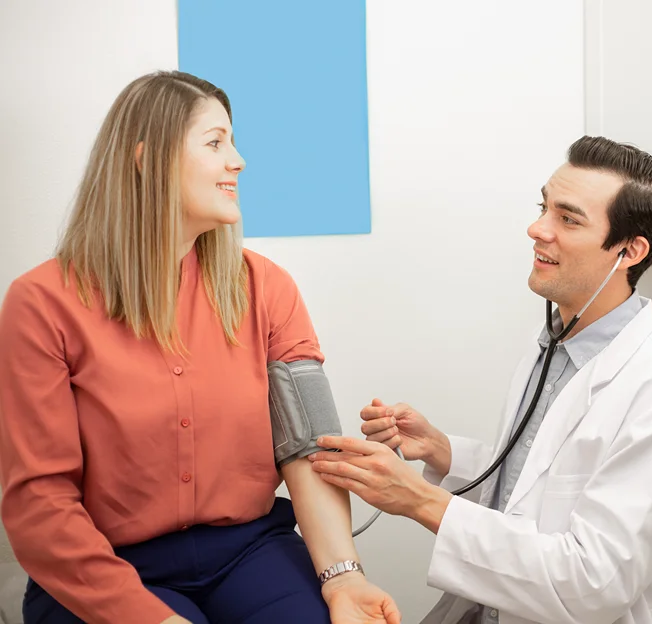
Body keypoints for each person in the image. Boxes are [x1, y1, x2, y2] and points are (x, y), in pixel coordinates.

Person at [0, 71, 400, 624]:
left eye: (232, 143)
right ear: (148, 159)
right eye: (215, 143)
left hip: (248, 551)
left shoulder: (268, 288)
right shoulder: (41, 304)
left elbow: (310, 448)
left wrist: (343, 578)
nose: (237, 161)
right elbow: (39, 502)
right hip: (105, 566)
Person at [308, 136, 652, 624]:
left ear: (630, 251)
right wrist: (442, 450)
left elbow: (593, 585)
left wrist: (421, 501)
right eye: (543, 207)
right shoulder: (553, 344)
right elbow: (537, 492)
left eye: (568, 219)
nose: (537, 228)